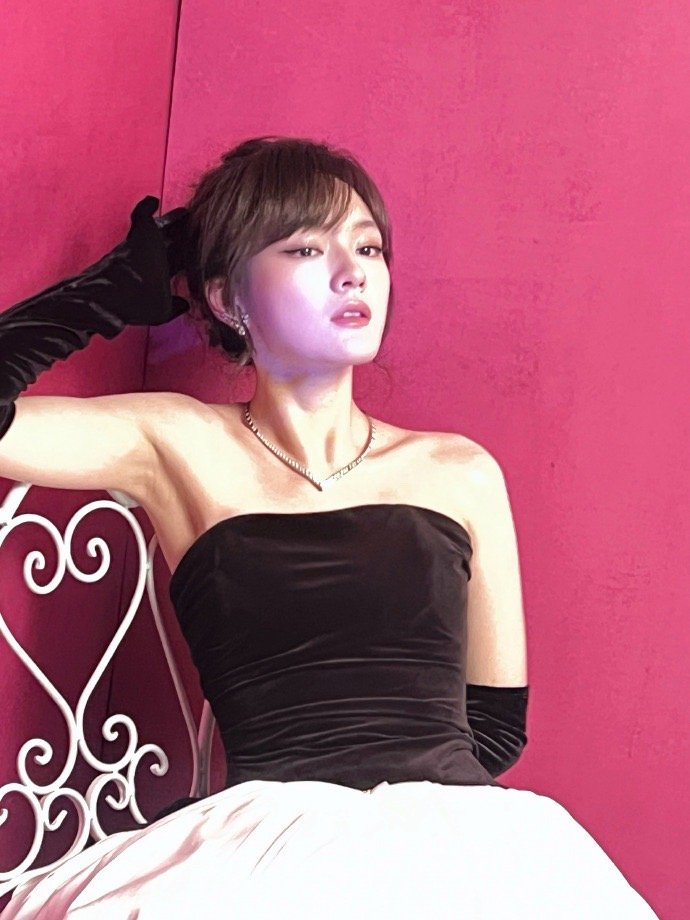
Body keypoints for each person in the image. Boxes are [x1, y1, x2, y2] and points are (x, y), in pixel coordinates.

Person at [0, 137, 658, 918]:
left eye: (368, 247)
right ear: (226, 298)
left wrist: (399, 843)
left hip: (449, 842)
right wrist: (97, 299)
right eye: (307, 248)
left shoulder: (460, 471)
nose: (354, 273)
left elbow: (494, 726)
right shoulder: (176, 442)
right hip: (262, 848)